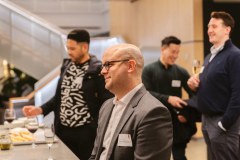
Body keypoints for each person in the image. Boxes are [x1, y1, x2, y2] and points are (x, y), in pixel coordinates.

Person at [22, 29, 113, 160]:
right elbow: (60, 97)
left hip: (86, 133)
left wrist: (100, 128)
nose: (69, 52)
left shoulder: (97, 70)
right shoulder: (67, 66)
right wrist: (39, 109)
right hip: (63, 131)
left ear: (85, 47)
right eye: (67, 48)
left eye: (72, 48)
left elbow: (107, 101)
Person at [89, 44, 173, 160]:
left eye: (109, 64)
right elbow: (95, 155)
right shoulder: (106, 106)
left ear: (130, 66)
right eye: (103, 66)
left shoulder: (153, 112)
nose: (103, 71)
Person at [188, 11, 240, 160]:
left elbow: (238, 93)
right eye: (208, 26)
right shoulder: (210, 56)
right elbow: (213, 87)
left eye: (214, 26)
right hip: (206, 120)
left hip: (223, 122)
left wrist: (224, 124)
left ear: (227, 30)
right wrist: (195, 86)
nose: (209, 30)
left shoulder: (235, 56)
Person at [142, 36, 197, 160]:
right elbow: (146, 93)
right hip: (155, 121)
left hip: (177, 122)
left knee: (179, 156)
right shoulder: (148, 70)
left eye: (178, 52)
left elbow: (193, 94)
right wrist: (168, 99)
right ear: (163, 49)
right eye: (173, 51)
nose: (175, 55)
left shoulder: (181, 72)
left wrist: (188, 114)